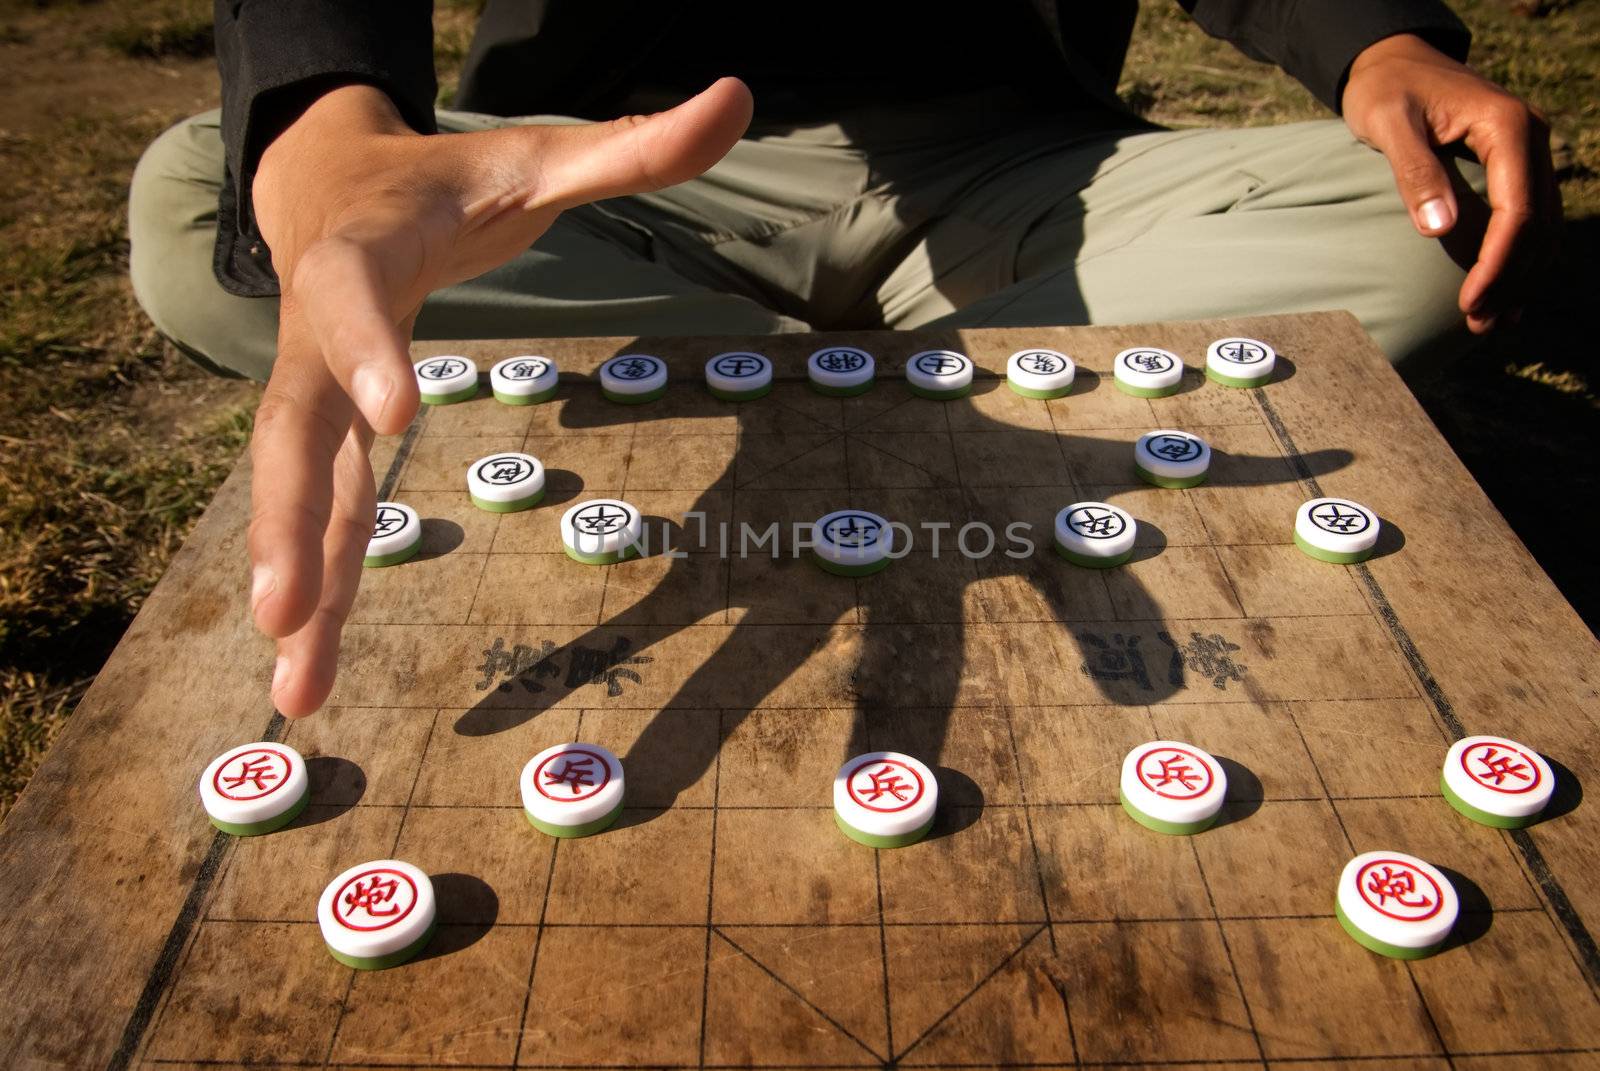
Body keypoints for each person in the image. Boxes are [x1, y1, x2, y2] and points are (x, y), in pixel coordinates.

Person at [127, 1, 1559, 718]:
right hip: (615, 177)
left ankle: (772, 368)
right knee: (214, 203)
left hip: (1012, 176)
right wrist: (330, 148)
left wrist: (1370, 39)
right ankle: (910, 370)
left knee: (1417, 217)